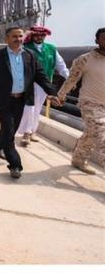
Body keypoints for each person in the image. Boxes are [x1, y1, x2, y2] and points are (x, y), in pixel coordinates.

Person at [0, 26, 60, 179]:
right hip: (3, 99)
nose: (18, 39)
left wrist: (52, 93)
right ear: (7, 39)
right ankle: (15, 165)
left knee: (11, 128)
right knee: (9, 131)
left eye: (20, 36)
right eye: (14, 36)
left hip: (21, 99)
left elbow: (40, 75)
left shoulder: (29, 55)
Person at [56, 27, 105, 175]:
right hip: (90, 104)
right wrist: (61, 95)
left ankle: (78, 159)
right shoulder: (85, 59)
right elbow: (72, 79)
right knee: (102, 137)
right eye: (104, 38)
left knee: (90, 134)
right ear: (97, 40)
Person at [17, 26, 69, 147]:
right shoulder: (25, 47)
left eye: (42, 35)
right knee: (29, 108)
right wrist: (25, 34)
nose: (39, 37)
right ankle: (26, 133)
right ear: (32, 35)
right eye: (36, 35)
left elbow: (61, 66)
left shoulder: (51, 49)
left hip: (44, 84)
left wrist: (69, 79)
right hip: (28, 83)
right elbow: (14, 47)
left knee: (37, 108)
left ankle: (32, 131)